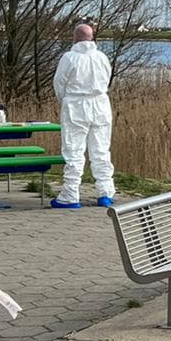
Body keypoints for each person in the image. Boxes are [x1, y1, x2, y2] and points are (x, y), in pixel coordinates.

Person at [51, 23, 116, 209]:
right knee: (101, 150)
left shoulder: (69, 58)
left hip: (76, 105)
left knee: (74, 150)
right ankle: (105, 192)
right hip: (100, 104)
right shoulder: (101, 57)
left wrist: (65, 101)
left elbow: (59, 83)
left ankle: (70, 194)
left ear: (75, 37)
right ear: (92, 37)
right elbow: (107, 79)